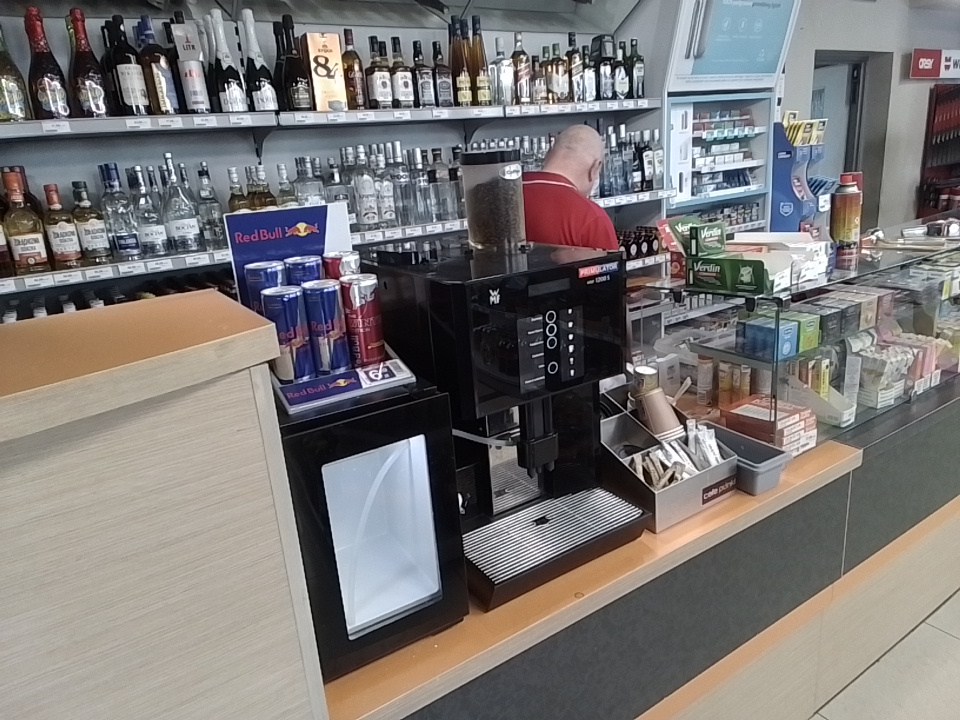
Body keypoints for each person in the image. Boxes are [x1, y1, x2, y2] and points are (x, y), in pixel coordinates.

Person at [522, 125, 619, 251]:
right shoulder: (591, 218)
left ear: (548, 154)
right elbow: (610, 263)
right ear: (595, 168)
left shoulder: (506, 192)